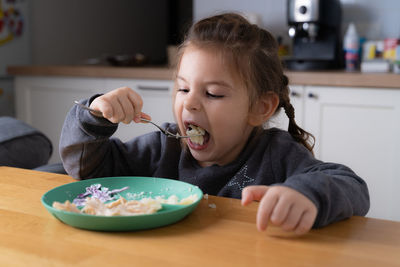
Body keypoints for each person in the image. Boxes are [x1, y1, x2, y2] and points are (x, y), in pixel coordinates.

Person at [60, 13, 369, 234]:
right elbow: (88, 168)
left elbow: (353, 187)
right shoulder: (164, 147)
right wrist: (95, 116)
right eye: (183, 88)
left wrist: (307, 193)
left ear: (260, 108)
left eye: (213, 93)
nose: (190, 103)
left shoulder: (276, 155)